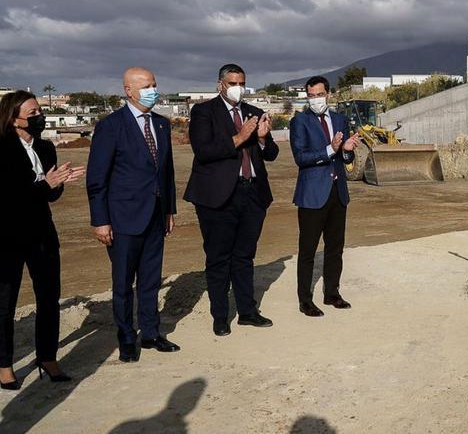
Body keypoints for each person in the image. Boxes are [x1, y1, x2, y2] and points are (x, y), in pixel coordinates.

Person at [86, 67, 179, 362]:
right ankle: (127, 338)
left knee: (151, 280)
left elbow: (166, 173)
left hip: (155, 216)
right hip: (123, 219)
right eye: (146, 85)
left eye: (155, 84)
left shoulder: (162, 125)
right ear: (128, 90)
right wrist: (100, 220)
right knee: (124, 283)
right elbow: (97, 178)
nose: (153, 90)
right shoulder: (111, 126)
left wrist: (169, 210)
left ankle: (151, 333)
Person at [184, 64, 278, 337]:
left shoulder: (254, 112)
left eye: (242, 82)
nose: (238, 88)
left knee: (244, 256)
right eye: (232, 82)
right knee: (218, 258)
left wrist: (261, 139)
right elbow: (204, 151)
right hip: (218, 197)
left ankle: (248, 312)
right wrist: (240, 137)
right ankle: (220, 316)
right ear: (220, 85)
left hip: (253, 194)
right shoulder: (203, 112)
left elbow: (270, 153)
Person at [0, 90, 84, 389]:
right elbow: (8, 197)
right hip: (7, 237)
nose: (39, 117)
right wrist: (43, 184)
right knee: (5, 303)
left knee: (49, 298)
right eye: (33, 113)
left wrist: (59, 182)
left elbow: (49, 196)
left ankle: (47, 357)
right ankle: (4, 364)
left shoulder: (46, 148)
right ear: (13, 118)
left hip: (42, 235)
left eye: (39, 112)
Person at [290, 76, 360, 317]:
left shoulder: (339, 119)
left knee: (335, 248)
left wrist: (347, 152)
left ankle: (332, 293)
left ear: (328, 94)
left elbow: (346, 159)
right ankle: (305, 300)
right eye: (311, 95)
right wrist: (330, 149)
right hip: (312, 195)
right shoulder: (299, 121)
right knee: (308, 250)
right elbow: (300, 157)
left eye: (319, 94)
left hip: (337, 193)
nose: (315, 99)